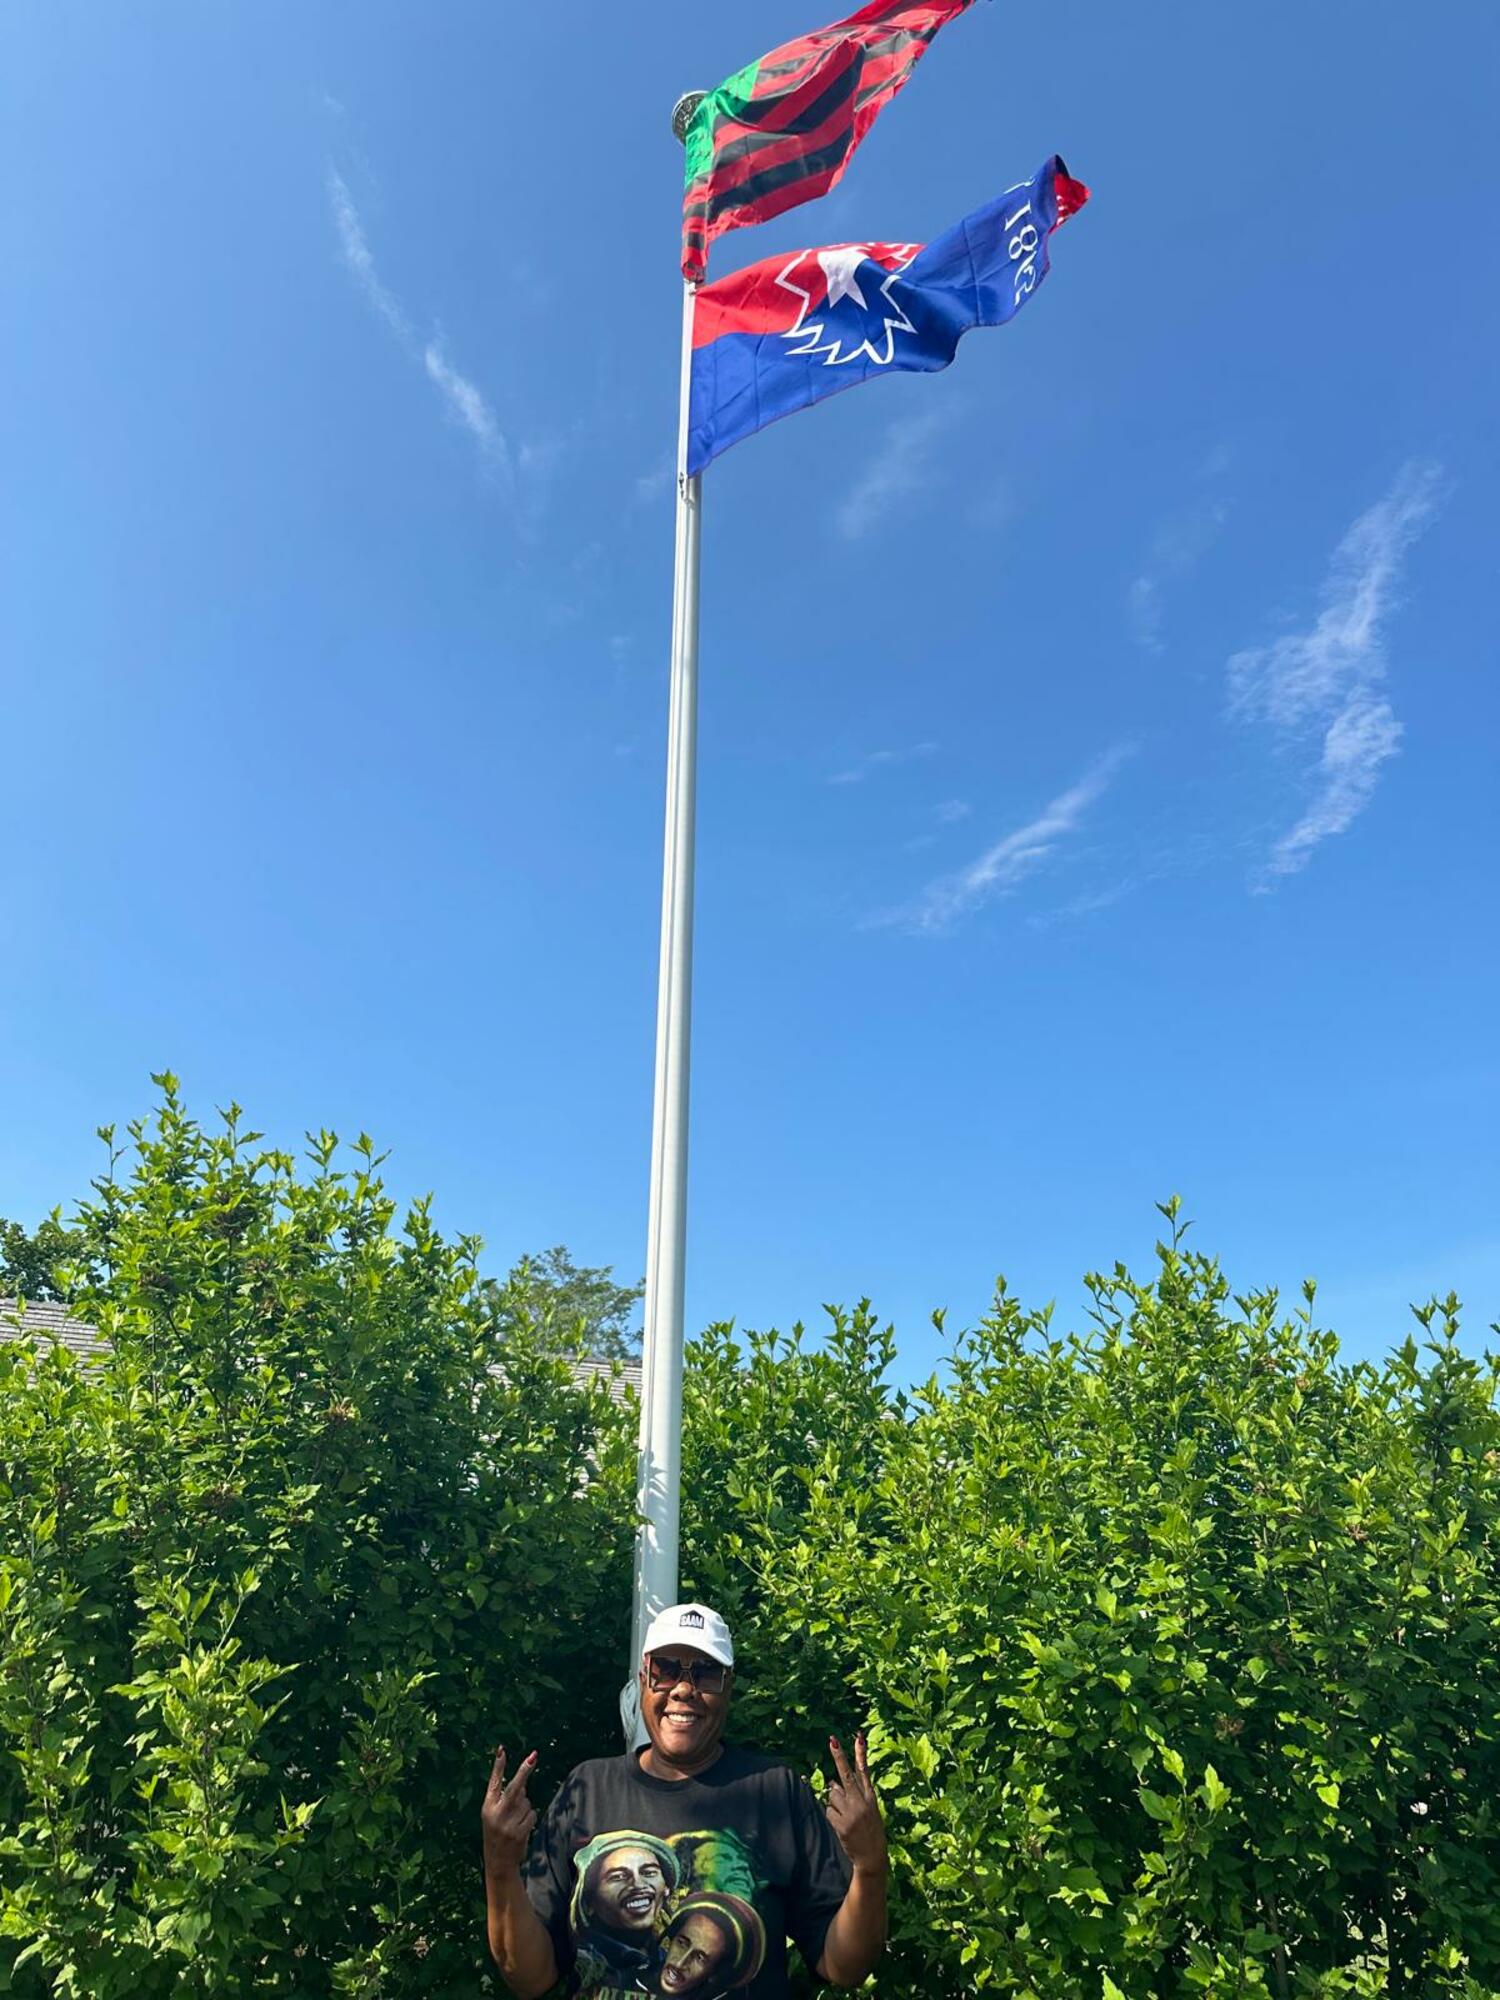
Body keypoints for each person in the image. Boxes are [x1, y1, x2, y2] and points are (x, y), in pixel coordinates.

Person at [482, 1602, 888, 1998]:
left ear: (729, 1686)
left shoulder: (775, 1791)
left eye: (706, 1673)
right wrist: (500, 1866)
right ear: (643, 1680)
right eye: (666, 1670)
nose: (682, 1689)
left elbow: (844, 1966)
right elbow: (529, 1978)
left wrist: (870, 1865)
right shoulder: (587, 1788)